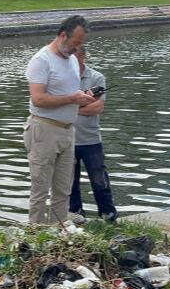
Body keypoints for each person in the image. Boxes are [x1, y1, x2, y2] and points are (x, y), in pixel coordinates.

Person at [24, 15, 96, 225]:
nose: (78, 48)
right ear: (63, 35)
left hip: (67, 129)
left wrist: (82, 98)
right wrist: (72, 98)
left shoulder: (72, 60)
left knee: (64, 187)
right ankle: (35, 234)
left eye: (81, 43)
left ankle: (58, 229)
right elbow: (38, 99)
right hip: (44, 128)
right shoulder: (41, 60)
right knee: (40, 187)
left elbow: (69, 95)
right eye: (76, 42)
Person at [69, 45, 117, 222]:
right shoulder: (62, 79)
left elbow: (97, 107)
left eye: (74, 57)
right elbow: (54, 105)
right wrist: (82, 103)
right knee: (69, 182)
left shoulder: (96, 77)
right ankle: (75, 215)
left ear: (83, 57)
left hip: (90, 139)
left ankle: (108, 215)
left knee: (99, 179)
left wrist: (70, 107)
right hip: (67, 140)